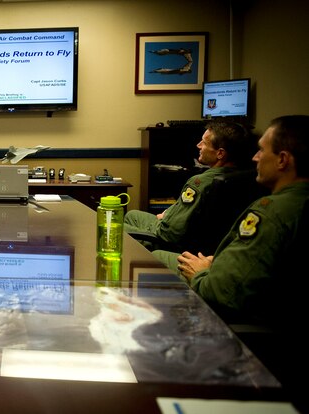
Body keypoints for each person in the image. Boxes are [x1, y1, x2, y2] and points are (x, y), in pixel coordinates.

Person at [153, 115, 309, 408]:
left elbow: (223, 293)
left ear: (283, 160)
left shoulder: (273, 212)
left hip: (249, 326)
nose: (255, 157)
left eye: (263, 150)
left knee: (154, 259)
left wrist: (201, 274)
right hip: (267, 306)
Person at [124, 121, 257, 253]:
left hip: (168, 242)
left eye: (204, 143)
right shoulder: (242, 176)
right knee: (132, 215)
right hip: (202, 242)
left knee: (110, 229)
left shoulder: (199, 182)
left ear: (220, 154)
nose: (198, 145)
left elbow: (170, 233)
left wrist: (163, 219)